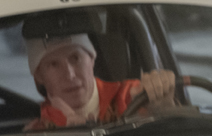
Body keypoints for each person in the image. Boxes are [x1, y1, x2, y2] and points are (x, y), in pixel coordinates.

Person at [24, 33, 177, 130]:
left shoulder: (133, 96)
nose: (69, 75)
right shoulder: (39, 132)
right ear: (39, 76)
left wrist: (164, 109)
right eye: (53, 65)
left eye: (75, 58)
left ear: (92, 59)